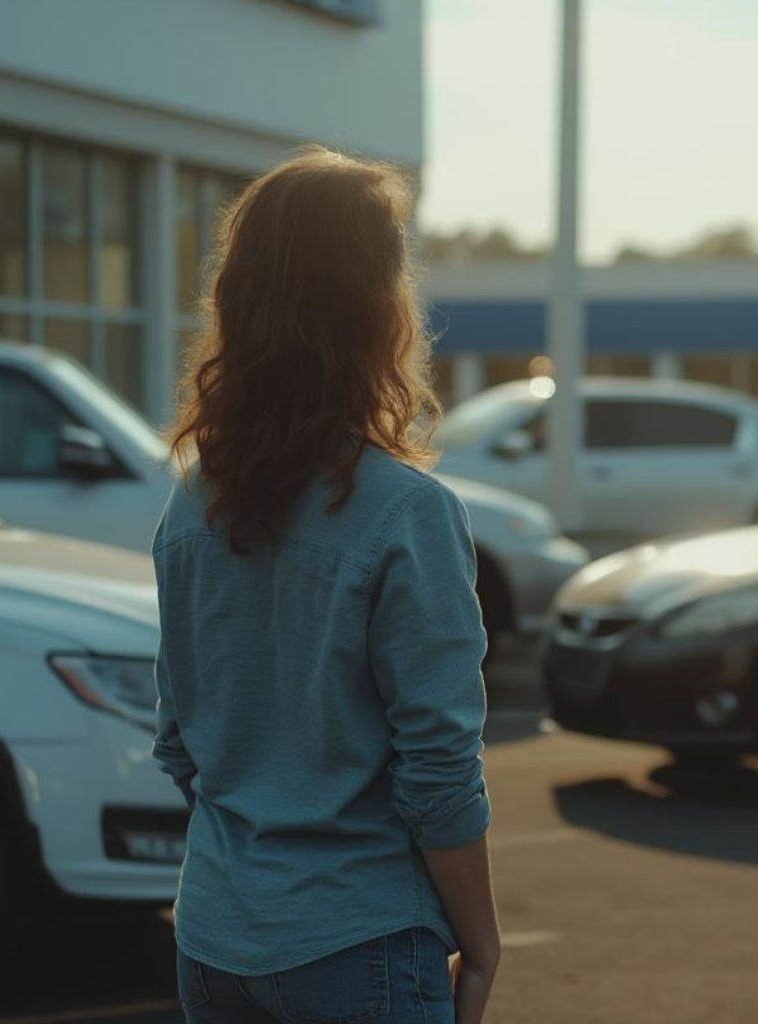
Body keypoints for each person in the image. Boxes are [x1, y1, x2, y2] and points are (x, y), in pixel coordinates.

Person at [152, 147, 500, 1024]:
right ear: (378, 307)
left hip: (214, 945)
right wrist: (483, 941)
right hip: (359, 946)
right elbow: (439, 771)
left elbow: (179, 743)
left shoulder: (192, 504)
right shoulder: (405, 512)